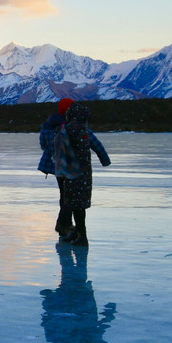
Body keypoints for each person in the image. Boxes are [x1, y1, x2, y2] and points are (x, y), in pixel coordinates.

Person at [58, 102, 111, 246]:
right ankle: (79, 233)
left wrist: (59, 169)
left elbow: (59, 150)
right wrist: (105, 161)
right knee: (79, 204)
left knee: (73, 204)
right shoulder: (86, 131)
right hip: (85, 173)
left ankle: (82, 236)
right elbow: (98, 147)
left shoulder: (67, 130)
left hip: (71, 173)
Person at [38, 98, 75, 237]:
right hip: (70, 165)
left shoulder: (47, 125)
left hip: (55, 165)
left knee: (63, 193)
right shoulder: (70, 125)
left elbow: (43, 144)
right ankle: (64, 224)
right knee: (69, 195)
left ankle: (65, 225)